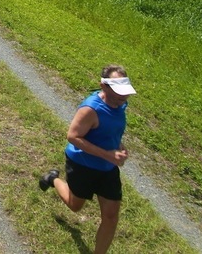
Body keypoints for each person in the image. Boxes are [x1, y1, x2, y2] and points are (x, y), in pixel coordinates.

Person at [39, 64, 137, 254]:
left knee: (111, 217)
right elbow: (73, 136)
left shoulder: (120, 103)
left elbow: (112, 130)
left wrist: (119, 146)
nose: (123, 97)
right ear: (103, 86)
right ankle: (52, 178)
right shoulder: (90, 109)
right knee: (75, 205)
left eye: (125, 92)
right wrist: (107, 154)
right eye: (118, 92)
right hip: (83, 165)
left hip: (108, 169)